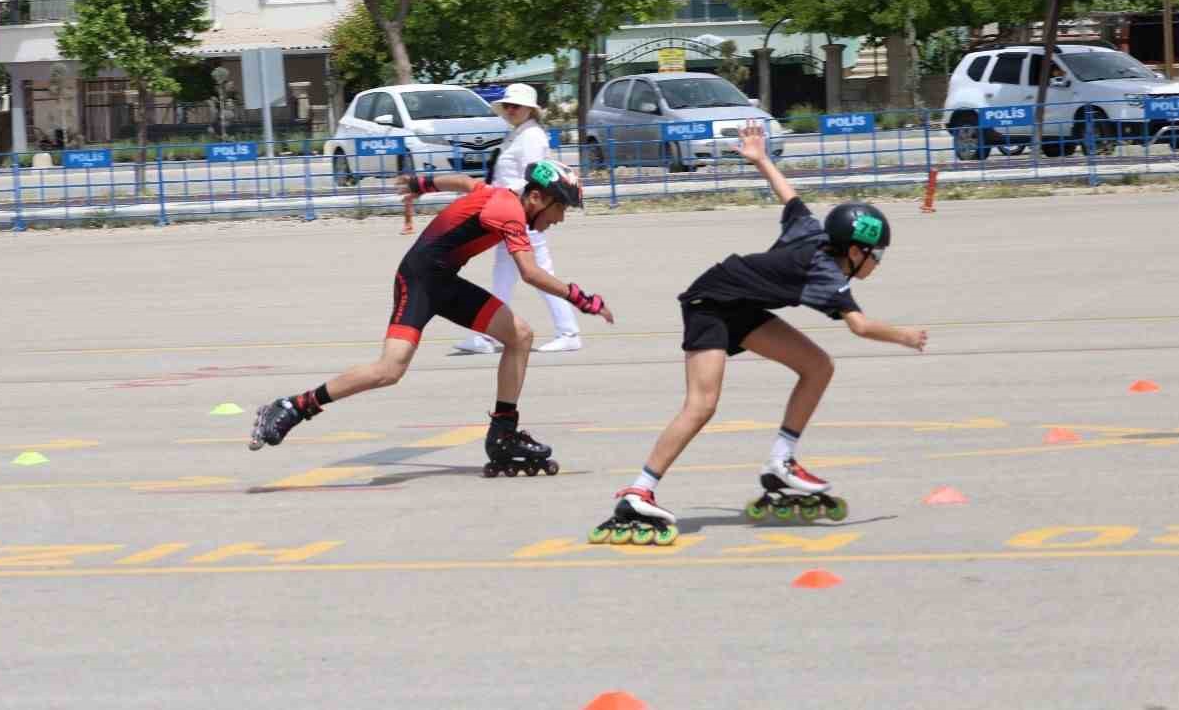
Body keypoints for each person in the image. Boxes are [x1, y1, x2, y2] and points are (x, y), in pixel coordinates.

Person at [589, 124, 927, 544]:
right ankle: (639, 490)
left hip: (742, 306)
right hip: (709, 303)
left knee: (817, 365)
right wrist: (905, 336)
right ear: (855, 251)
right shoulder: (826, 275)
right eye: (876, 255)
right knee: (702, 405)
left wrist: (761, 158)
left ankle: (780, 463)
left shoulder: (812, 231)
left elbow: (789, 196)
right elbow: (859, 326)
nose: (878, 262)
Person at [249, 160, 614, 476]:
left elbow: (466, 183)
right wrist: (581, 298)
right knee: (389, 370)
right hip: (419, 280)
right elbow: (530, 273)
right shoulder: (509, 211)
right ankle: (293, 406)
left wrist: (420, 184)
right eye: (561, 207)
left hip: (445, 281)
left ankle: (503, 432)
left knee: (519, 335)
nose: (561, 218)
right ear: (536, 198)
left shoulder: (501, 195)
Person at [455, 83, 581, 355]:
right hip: (509, 212)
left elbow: (535, 180)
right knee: (504, 274)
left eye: (516, 106)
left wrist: (500, 195)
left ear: (529, 110)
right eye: (508, 106)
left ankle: (568, 332)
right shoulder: (518, 134)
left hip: (524, 214)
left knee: (538, 273)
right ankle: (489, 335)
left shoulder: (531, 137)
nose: (510, 110)